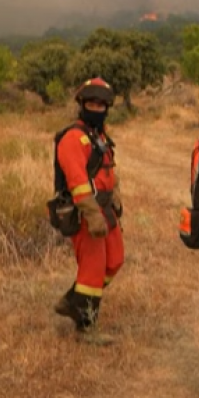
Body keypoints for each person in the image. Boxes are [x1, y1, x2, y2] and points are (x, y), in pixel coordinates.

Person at [53, 77, 123, 346]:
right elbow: (77, 182)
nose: (97, 108)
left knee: (115, 260)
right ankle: (86, 327)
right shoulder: (73, 138)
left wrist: (115, 199)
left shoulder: (99, 136)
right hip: (86, 213)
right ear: (81, 104)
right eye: (92, 103)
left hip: (106, 210)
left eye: (102, 104)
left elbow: (108, 172)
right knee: (93, 270)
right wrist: (92, 215)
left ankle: (73, 300)